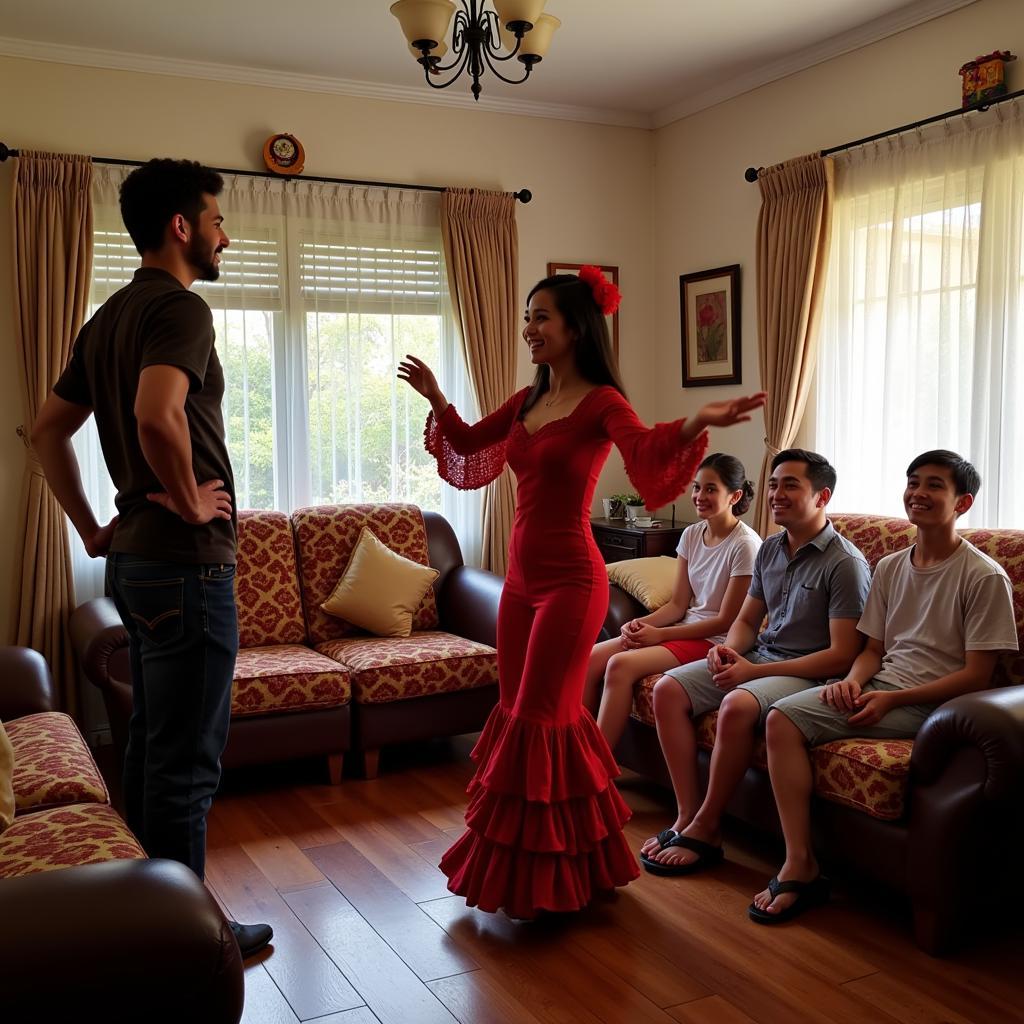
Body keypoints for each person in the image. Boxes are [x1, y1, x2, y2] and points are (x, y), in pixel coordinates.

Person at [398, 266, 766, 918]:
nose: (529, 329)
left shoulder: (600, 403)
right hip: (521, 583)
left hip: (573, 581)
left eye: (541, 317)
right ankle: (541, 867)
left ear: (575, 327)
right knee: (518, 712)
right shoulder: (525, 401)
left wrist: (694, 423)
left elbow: (646, 447)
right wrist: (435, 399)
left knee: (543, 717)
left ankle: (550, 879)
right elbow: (467, 443)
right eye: (528, 317)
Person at [31, 158, 272, 958]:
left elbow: (44, 431)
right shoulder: (178, 309)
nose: (224, 236)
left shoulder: (106, 320)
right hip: (184, 561)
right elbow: (155, 416)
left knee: (148, 745)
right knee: (188, 763)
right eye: (216, 220)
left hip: (133, 561)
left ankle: (140, 917)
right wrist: (194, 499)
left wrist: (93, 528)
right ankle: (186, 943)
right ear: (182, 226)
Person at [750, 450, 1018, 924]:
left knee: (782, 719)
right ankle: (803, 859)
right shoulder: (892, 566)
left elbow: (978, 676)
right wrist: (852, 682)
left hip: (932, 704)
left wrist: (892, 698)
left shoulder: (982, 576)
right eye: (913, 482)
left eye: (935, 485)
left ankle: (799, 869)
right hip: (878, 684)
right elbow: (870, 650)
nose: (918, 493)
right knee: (779, 717)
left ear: (963, 502)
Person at [640, 449, 870, 876]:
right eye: (773, 484)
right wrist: (730, 649)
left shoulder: (845, 563)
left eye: (790, 485)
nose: (777, 494)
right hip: (762, 655)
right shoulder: (770, 549)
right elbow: (746, 620)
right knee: (667, 689)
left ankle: (707, 827)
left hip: (810, 671)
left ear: (822, 497)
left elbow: (843, 654)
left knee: (738, 703)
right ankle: (687, 814)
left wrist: (752, 671)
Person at [584, 453, 761, 750]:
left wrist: (661, 634)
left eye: (710, 489)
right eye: (696, 487)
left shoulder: (745, 545)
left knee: (619, 666)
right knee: (590, 658)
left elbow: (725, 621)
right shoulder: (692, 534)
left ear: (735, 495)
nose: (699, 496)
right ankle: (573, 752)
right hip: (685, 627)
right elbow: (678, 605)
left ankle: (595, 767)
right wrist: (639, 624)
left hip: (712, 639)